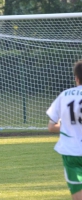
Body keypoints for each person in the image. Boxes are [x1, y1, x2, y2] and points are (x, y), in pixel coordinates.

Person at [46, 60, 82, 200]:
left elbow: (51, 127)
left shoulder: (64, 95)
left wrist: (66, 124)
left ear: (76, 78)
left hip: (71, 152)